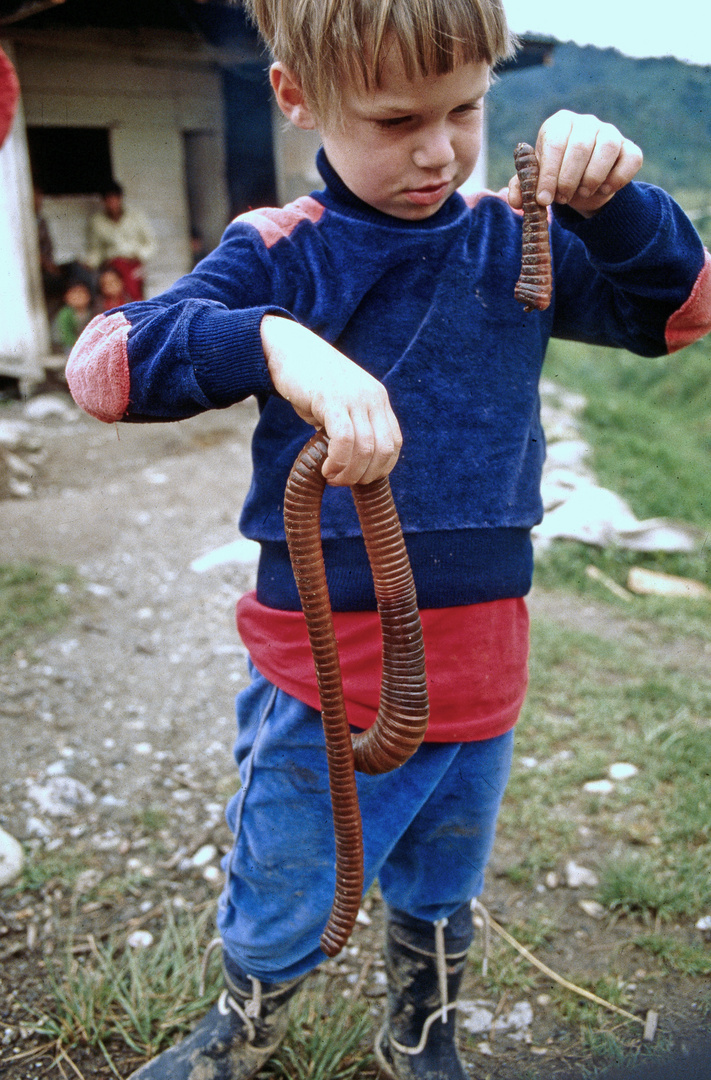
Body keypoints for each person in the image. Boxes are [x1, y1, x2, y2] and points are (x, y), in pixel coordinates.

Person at [65, 1, 711, 1078]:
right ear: (297, 97)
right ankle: (245, 1023)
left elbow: (681, 313)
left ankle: (423, 1024)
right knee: (291, 866)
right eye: (396, 117)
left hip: (484, 643)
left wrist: (616, 207)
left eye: (464, 108)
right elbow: (106, 366)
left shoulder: (521, 235)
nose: (437, 149)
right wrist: (271, 341)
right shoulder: (284, 251)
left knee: (448, 863)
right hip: (329, 661)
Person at [85, 180, 156, 301]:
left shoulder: (136, 216)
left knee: (135, 294)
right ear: (104, 201)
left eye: (115, 198)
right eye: (108, 199)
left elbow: (151, 242)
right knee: (113, 295)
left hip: (133, 263)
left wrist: (139, 255)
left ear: (120, 198)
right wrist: (90, 263)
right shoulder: (97, 222)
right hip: (112, 266)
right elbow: (96, 249)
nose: (112, 203)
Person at [50, 280, 94, 356]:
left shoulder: (92, 312)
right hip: (69, 347)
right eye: (74, 293)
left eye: (81, 292)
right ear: (66, 297)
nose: (78, 296)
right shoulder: (65, 314)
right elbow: (66, 336)